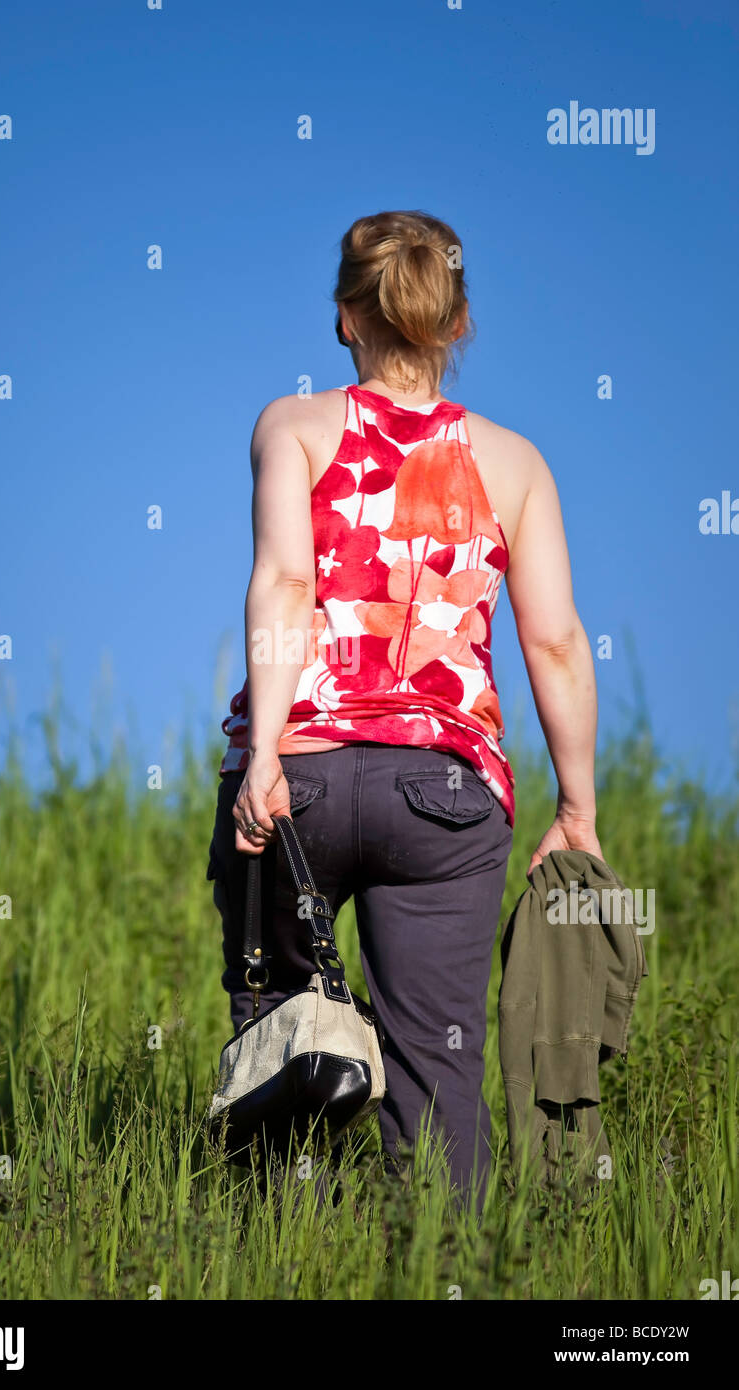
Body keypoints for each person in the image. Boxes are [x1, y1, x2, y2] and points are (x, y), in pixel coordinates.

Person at [206, 209, 602, 1210]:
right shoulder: (514, 464)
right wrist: (575, 806)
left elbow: (285, 585)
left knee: (278, 1045)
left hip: (299, 773)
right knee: (438, 1066)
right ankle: (444, 1274)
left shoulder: (291, 427)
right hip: (447, 794)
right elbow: (552, 640)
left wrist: (262, 760)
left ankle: (266, 1259)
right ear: (455, 321)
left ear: (345, 317)